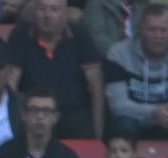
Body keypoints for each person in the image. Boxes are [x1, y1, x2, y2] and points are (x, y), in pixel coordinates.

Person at [7, 0, 103, 139]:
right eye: (42, 9)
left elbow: (96, 87)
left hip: (73, 114)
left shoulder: (80, 36)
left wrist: (98, 136)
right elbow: (11, 84)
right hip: (34, 112)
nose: (47, 15)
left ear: (65, 13)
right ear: (34, 11)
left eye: (54, 9)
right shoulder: (20, 35)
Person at [104, 4, 168, 139]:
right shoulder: (118, 54)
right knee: (123, 124)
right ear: (140, 30)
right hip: (133, 121)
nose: (158, 35)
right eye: (151, 29)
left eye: (163, 30)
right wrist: (153, 112)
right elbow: (118, 106)